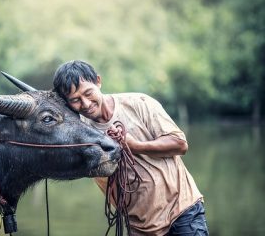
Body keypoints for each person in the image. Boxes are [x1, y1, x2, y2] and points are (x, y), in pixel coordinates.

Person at [52, 60, 209, 236]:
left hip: (181, 211)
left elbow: (180, 144)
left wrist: (136, 146)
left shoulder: (139, 103)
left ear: (98, 81)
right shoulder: (80, 132)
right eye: (75, 100)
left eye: (88, 93)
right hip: (139, 225)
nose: (86, 104)